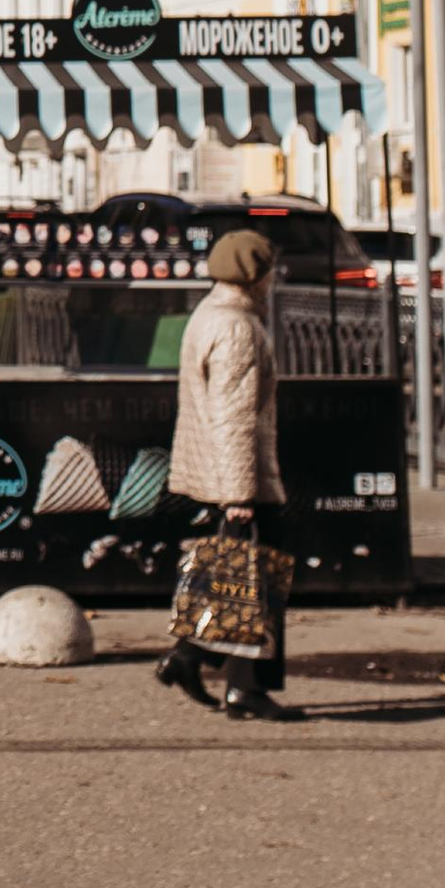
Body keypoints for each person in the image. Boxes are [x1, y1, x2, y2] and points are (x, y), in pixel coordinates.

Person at [158, 226, 289, 720]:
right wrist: (239, 493)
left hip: (220, 470)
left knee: (236, 578)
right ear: (255, 275)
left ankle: (195, 660)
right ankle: (237, 684)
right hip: (236, 475)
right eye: (270, 271)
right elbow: (233, 415)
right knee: (250, 581)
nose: (274, 279)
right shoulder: (237, 328)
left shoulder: (209, 314)